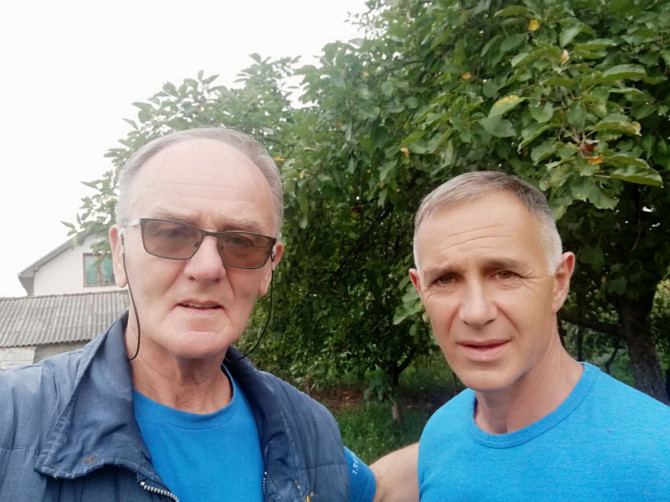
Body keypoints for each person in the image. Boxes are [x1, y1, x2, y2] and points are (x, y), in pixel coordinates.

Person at [0, 127, 414, 502]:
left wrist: (458, 420)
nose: (208, 268)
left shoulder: (308, 428)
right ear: (119, 253)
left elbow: (374, 490)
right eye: (171, 233)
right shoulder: (12, 418)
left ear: (269, 267)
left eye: (242, 241)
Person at [409, 171, 670, 500]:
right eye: (445, 279)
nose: (476, 312)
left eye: (505, 274)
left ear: (559, 282)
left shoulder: (658, 457)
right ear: (421, 290)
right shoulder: (440, 435)